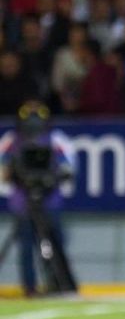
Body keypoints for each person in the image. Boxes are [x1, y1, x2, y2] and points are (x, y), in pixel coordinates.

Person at [0, 100, 77, 296]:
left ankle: (57, 283)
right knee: (26, 247)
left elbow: (68, 168)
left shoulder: (56, 140)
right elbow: (3, 171)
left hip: (49, 199)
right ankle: (30, 288)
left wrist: (52, 178)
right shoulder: (11, 141)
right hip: (23, 201)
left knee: (55, 243)